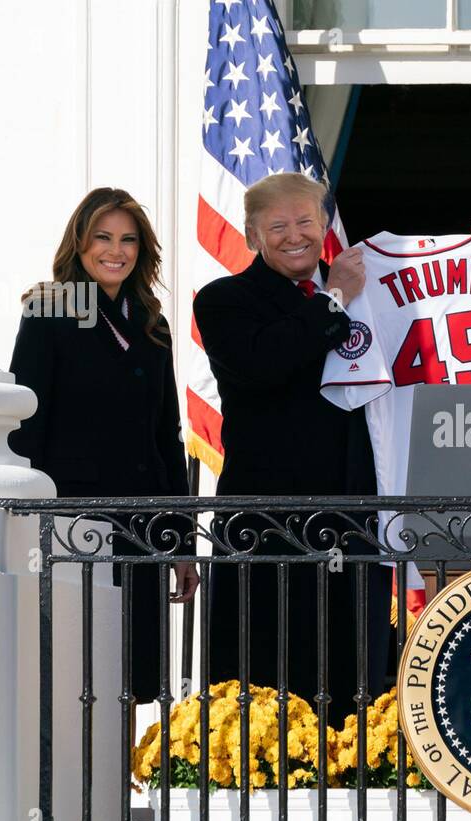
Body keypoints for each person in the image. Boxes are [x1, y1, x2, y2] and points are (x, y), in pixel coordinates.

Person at [193, 172, 389, 728]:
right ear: (253, 236)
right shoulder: (223, 300)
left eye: (305, 221)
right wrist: (335, 301)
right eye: (277, 225)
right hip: (266, 521)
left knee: (351, 681)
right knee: (261, 679)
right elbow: (263, 362)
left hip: (350, 517)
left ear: (324, 226)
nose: (294, 235)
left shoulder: (367, 293)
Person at [8, 187, 198, 704]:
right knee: (77, 671)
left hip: (143, 521)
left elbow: (167, 434)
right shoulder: (49, 310)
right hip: (75, 522)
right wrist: (31, 524)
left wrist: (181, 542)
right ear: (80, 243)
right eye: (103, 237)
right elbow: (27, 427)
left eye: (128, 240)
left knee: (134, 678)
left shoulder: (151, 321)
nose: (116, 250)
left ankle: (119, 785)